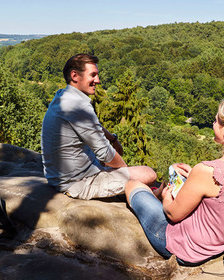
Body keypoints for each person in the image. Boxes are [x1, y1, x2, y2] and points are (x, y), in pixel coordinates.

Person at [125, 96, 224, 265]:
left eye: (216, 121)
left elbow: (173, 214)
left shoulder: (207, 171)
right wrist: (193, 177)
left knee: (132, 185)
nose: (212, 124)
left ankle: (153, 194)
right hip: (218, 247)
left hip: (184, 248)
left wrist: (166, 198)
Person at [41, 53, 157, 200]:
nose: (98, 80)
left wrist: (112, 139)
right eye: (93, 75)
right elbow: (105, 154)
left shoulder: (63, 96)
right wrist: (128, 175)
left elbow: (93, 128)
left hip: (62, 176)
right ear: (75, 76)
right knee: (148, 173)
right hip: (77, 183)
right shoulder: (78, 106)